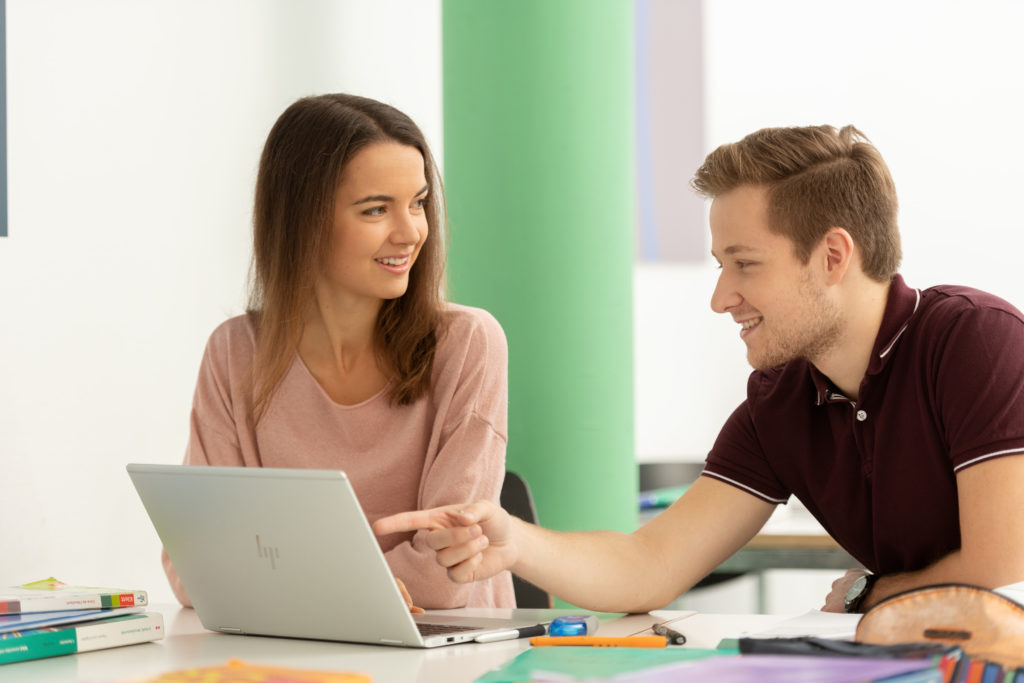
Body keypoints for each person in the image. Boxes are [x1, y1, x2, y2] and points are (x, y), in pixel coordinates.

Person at [373, 124, 1024, 614]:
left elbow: (1004, 570)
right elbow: (648, 564)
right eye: (721, 266)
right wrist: (514, 540)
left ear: (832, 256)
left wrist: (869, 592)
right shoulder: (782, 402)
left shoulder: (974, 341)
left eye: (745, 264)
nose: (721, 298)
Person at [163, 93, 514, 609]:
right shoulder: (235, 353)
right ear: (301, 220)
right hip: (295, 656)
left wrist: (291, 589)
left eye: (417, 203)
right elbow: (197, 565)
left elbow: (447, 572)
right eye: (376, 209)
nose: (412, 232)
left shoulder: (468, 344)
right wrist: (357, 595)